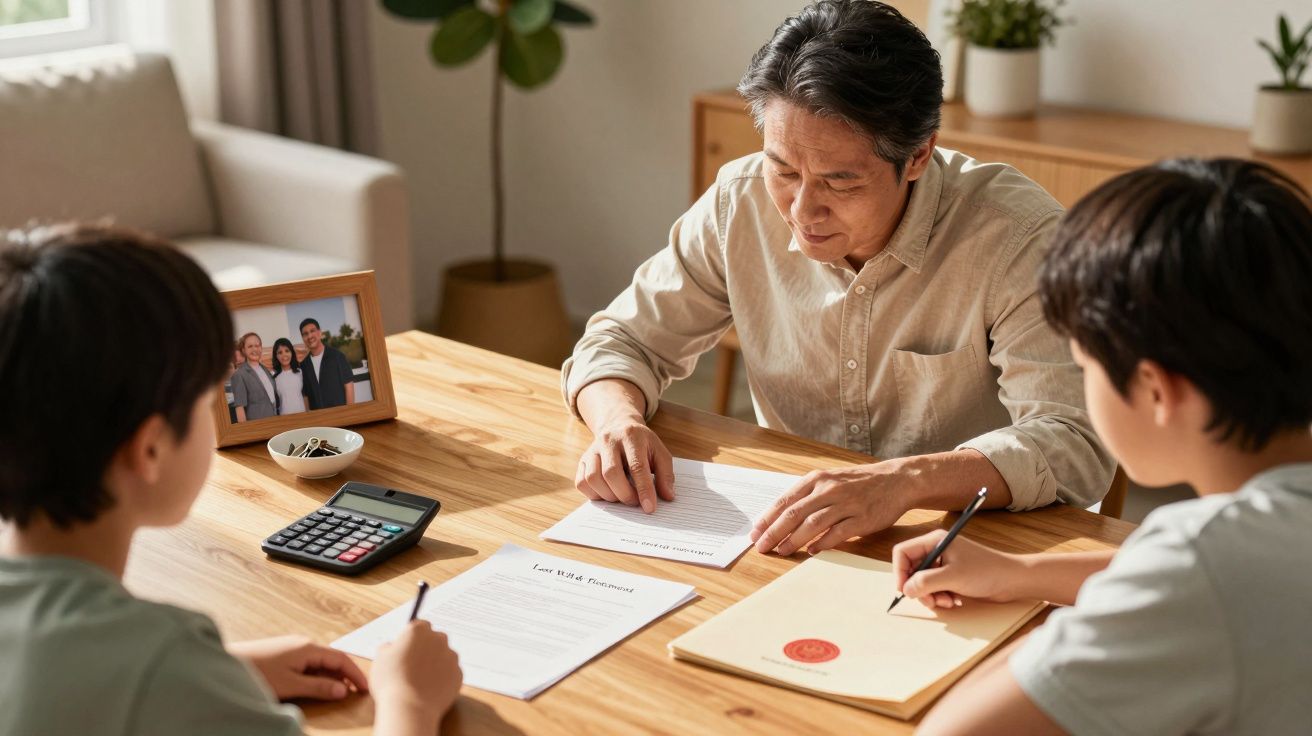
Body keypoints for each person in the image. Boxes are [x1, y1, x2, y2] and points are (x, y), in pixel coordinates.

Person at [563, 0, 1112, 554]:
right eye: (783, 169)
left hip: (965, 548)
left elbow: (1074, 444)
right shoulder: (740, 199)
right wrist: (617, 421)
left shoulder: (1018, 239)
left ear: (919, 154)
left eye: (839, 182)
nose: (803, 209)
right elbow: (622, 340)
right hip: (789, 537)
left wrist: (905, 482)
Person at [896, 159, 1312, 735]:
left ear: (1155, 389)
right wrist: (1021, 573)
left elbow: (951, 731)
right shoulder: (1248, 542)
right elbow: (1216, 571)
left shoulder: (1200, 563)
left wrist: (1057, 643)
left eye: (1085, 366)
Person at [0, 224, 462, 735]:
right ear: (150, 449)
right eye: (206, 399)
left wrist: (221, 673)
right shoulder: (166, 659)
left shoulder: (160, 665)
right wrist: (409, 701)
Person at [300, 318, 355, 410]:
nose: (309, 336)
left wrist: (349, 414)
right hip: (318, 420)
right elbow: (306, 396)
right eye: (305, 334)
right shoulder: (303, 365)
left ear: (319, 333)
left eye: (312, 331)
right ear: (303, 338)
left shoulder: (337, 357)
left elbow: (349, 387)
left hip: (340, 416)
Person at [232, 332, 278, 422]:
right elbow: (239, 408)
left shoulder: (265, 370)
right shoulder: (240, 374)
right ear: (243, 350)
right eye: (250, 346)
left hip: (273, 422)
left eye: (257, 345)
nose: (255, 349)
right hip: (258, 427)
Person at [272, 337, 308, 415]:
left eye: (287, 351)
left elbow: (306, 395)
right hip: (284, 418)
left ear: (292, 352)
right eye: (280, 352)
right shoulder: (274, 378)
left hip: (302, 415)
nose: (284, 355)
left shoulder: (300, 372)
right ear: (276, 356)